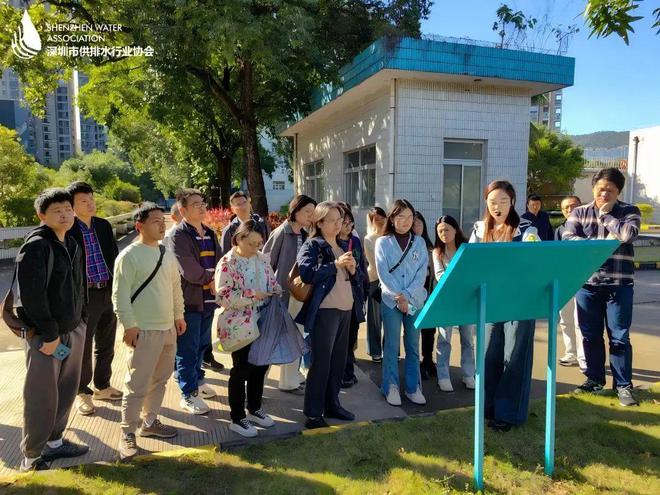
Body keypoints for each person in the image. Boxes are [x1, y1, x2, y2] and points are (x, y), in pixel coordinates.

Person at [15, 188, 89, 471]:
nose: (65, 214)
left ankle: (55, 442)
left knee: (67, 389)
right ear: (41, 215)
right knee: (41, 395)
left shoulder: (71, 242)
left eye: (68, 209)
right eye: (57, 210)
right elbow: (32, 296)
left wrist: (82, 318)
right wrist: (49, 334)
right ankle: (32, 457)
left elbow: (78, 285)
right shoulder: (36, 247)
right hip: (47, 336)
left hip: (73, 328)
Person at [113, 203, 186, 460]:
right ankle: (127, 433)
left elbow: (176, 287)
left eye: (161, 220)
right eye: (155, 221)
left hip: (168, 328)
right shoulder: (129, 256)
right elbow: (119, 296)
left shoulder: (166, 252)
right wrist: (129, 325)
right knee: (137, 383)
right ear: (139, 226)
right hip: (143, 329)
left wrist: (179, 316)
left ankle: (150, 422)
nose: (161, 224)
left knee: (161, 378)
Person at [562, 168, 641, 407]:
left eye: (610, 190)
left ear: (618, 191)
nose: (604, 194)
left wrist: (606, 217)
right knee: (590, 335)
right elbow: (566, 237)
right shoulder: (580, 212)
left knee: (619, 337)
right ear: (593, 187)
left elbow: (628, 235)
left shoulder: (629, 211)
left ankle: (624, 386)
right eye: (600, 189)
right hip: (587, 285)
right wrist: (596, 245)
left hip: (619, 285)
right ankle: (595, 379)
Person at [470, 180, 537, 431]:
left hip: (520, 302)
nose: (497, 207)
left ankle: (508, 413)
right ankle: (487, 408)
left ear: (513, 202)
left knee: (514, 357)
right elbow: (472, 263)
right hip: (491, 301)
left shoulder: (526, 228)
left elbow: (533, 259)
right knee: (489, 354)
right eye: (492, 202)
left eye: (503, 201)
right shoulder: (479, 229)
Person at [296, 202, 362, 429]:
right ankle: (313, 413)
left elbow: (357, 279)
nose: (338, 224)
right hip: (326, 312)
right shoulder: (312, 245)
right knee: (321, 363)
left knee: (338, 362)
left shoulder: (344, 245)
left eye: (340, 220)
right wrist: (334, 264)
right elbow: (306, 274)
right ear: (320, 222)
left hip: (346, 310)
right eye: (333, 220)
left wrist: (354, 270)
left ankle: (332, 403)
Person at [216, 220, 281, 437]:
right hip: (240, 324)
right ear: (239, 238)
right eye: (252, 243)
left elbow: (271, 281)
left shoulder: (261, 259)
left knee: (260, 366)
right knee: (241, 369)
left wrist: (275, 289)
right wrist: (251, 295)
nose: (256, 248)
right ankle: (237, 417)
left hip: (263, 318)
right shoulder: (228, 262)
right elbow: (223, 296)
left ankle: (254, 408)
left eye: (259, 243)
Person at [66, 181, 121, 417]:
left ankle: (103, 385)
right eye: (83, 201)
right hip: (84, 296)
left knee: (107, 343)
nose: (90, 203)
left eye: (91, 199)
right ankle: (82, 392)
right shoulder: (68, 229)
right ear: (72, 206)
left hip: (107, 291)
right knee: (83, 347)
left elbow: (114, 257)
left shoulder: (102, 225)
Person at [171, 188, 223, 415]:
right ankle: (188, 394)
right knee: (187, 349)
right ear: (183, 211)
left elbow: (221, 262)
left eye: (203, 203)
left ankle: (198, 381)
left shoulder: (210, 233)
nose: (202, 207)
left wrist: (220, 281)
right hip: (190, 301)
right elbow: (188, 270)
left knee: (202, 345)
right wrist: (212, 281)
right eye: (195, 204)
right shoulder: (178, 236)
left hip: (209, 300)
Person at [375, 199, 428, 407]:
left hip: (414, 300)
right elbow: (383, 274)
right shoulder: (383, 242)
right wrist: (399, 297)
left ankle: (413, 387)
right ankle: (391, 387)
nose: (405, 221)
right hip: (391, 302)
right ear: (392, 218)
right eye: (400, 217)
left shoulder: (420, 242)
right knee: (391, 345)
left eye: (409, 217)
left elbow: (421, 273)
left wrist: (407, 295)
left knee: (413, 345)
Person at [262, 194, 317, 394]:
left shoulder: (304, 234)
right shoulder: (281, 233)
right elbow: (266, 264)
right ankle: (255, 384)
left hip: (299, 295)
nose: (311, 216)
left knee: (295, 337)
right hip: (280, 297)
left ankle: (289, 381)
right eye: (307, 211)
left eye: (313, 212)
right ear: (295, 211)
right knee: (270, 339)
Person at [432, 215, 475, 392]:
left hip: (466, 300)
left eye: (447, 229)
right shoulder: (437, 252)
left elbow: (472, 273)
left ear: (455, 229)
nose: (444, 234)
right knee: (444, 339)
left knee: (467, 339)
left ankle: (468, 374)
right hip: (446, 301)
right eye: (440, 231)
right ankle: (443, 374)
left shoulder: (466, 248)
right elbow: (440, 276)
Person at [337, 205, 368, 389]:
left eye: (350, 223)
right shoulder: (330, 243)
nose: (347, 226)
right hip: (339, 297)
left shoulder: (354, 242)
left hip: (355, 295)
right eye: (344, 222)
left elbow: (362, 267)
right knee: (340, 339)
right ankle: (342, 373)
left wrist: (363, 290)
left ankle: (348, 371)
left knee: (351, 337)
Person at [554, 195, 586, 370]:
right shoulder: (559, 230)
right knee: (565, 318)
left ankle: (584, 357)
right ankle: (571, 352)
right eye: (566, 208)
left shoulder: (589, 227)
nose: (569, 210)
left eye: (573, 206)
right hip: (564, 280)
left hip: (585, 280)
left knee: (580, 321)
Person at [413, 211, 437, 380]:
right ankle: (414, 363)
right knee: (413, 330)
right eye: (413, 224)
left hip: (429, 292)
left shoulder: (431, 247)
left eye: (419, 224)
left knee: (429, 330)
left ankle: (427, 360)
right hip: (412, 293)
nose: (416, 227)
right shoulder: (407, 245)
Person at [363, 207, 387, 363]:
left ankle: (391, 350)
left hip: (392, 282)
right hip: (375, 281)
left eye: (382, 217)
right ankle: (375, 350)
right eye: (376, 218)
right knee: (375, 319)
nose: (380, 220)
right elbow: (374, 262)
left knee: (391, 319)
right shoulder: (369, 238)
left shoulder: (391, 236)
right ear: (371, 221)